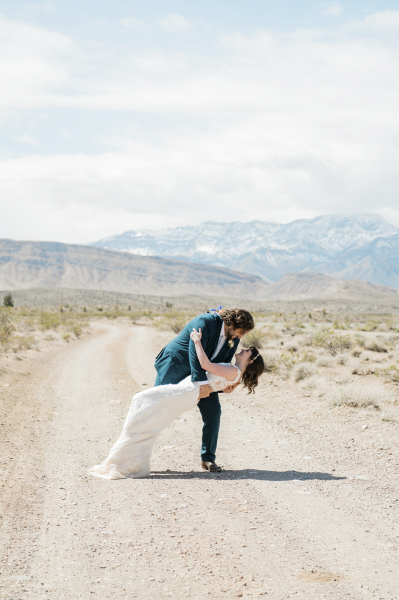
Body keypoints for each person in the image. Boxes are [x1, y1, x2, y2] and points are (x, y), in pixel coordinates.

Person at [89, 327, 264, 480]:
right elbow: (214, 383)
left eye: (248, 351)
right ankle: (129, 459)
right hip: (189, 391)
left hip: (187, 391)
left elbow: (205, 364)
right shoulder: (235, 374)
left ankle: (123, 459)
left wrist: (196, 341)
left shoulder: (233, 370)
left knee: (142, 403)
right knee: (149, 415)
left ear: (249, 361)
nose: (244, 348)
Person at [154, 308, 254, 472]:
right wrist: (202, 384)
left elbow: (218, 369)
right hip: (176, 364)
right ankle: (137, 447)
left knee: (214, 411)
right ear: (231, 323)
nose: (240, 337)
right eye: (240, 331)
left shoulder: (233, 339)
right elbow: (194, 353)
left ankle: (208, 458)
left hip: (202, 375)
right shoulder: (206, 322)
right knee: (157, 406)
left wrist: (223, 389)